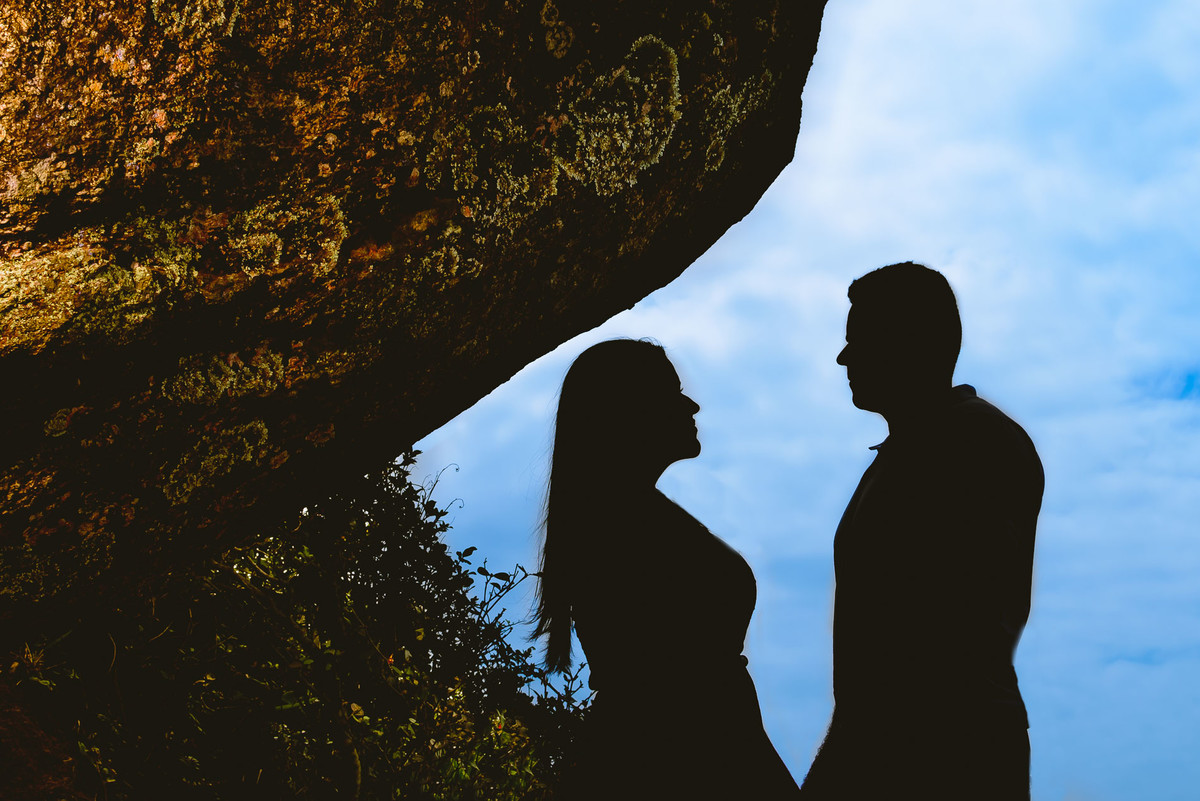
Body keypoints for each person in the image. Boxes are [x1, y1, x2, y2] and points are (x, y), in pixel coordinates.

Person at [800, 262, 1044, 800]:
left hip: (936, 756)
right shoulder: (922, 446)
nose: (844, 357)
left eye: (859, 339)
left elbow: (928, 639)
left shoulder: (969, 442)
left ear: (910, 341)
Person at [532, 338, 801, 800]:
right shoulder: (622, 530)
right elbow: (691, 702)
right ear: (629, 411)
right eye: (672, 392)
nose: (691, 404)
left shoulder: (620, 520)